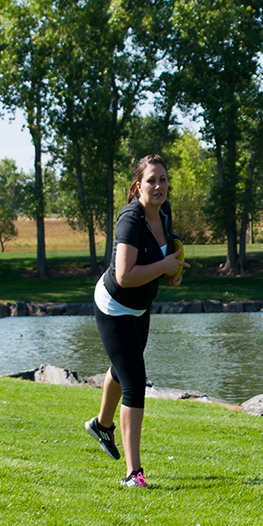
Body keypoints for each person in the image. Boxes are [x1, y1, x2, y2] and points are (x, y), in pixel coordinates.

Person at [84, 154, 184, 486]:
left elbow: (161, 259)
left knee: (123, 365)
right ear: (137, 186)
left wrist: (171, 273)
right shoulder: (130, 220)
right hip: (114, 304)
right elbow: (125, 276)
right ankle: (133, 473)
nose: (159, 186)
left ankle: (101, 424)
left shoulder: (165, 214)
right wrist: (164, 267)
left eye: (164, 180)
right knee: (134, 382)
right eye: (152, 180)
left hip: (140, 307)